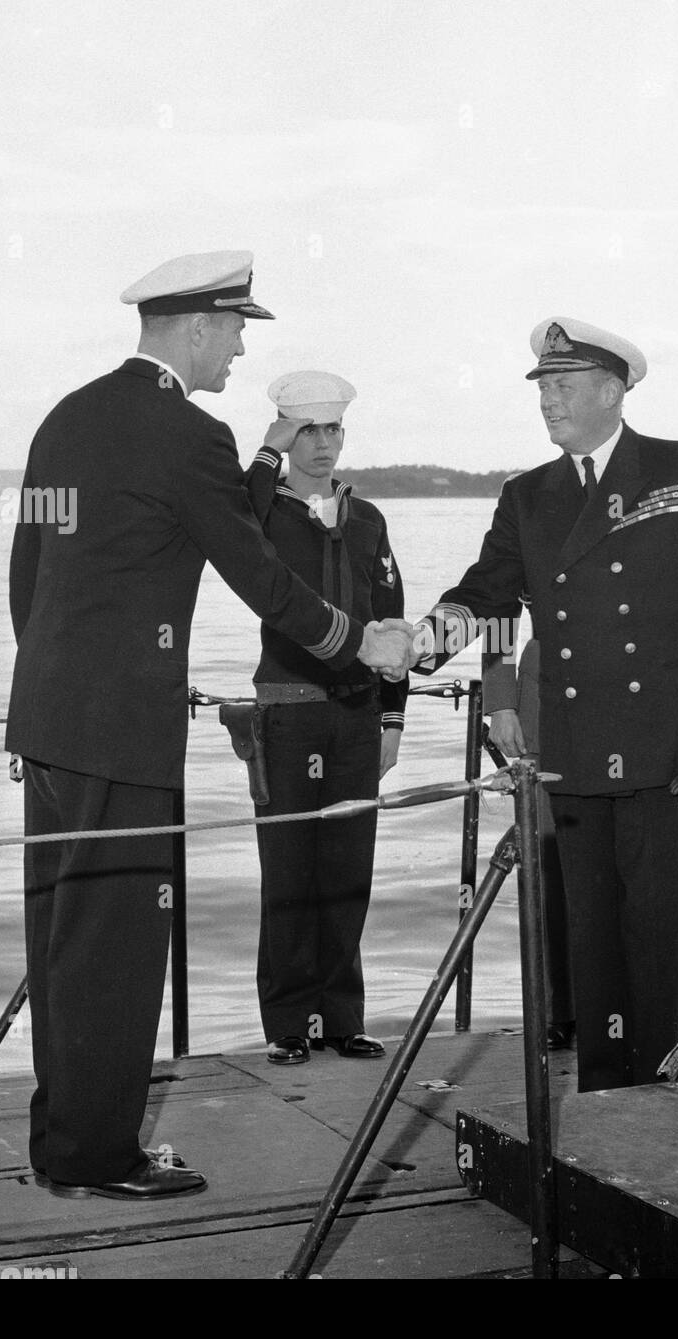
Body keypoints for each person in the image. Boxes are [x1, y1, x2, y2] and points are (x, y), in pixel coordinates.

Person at [6, 253, 413, 1201]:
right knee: (115, 946)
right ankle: (103, 1157)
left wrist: (54, 690)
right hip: (125, 733)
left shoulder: (67, 416)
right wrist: (360, 646)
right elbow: (258, 571)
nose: (238, 347)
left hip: (52, 718)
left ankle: (62, 1141)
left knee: (62, 939)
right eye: (235, 328)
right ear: (193, 327)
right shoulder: (186, 430)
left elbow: (29, 566)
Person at [405, 316, 678, 1091]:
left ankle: (654, 1087)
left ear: (612, 391)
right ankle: (606, 1095)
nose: (548, 401)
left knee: (654, 923)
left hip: (667, 742)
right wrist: (418, 644)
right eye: (543, 387)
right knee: (591, 931)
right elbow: (491, 597)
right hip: (571, 746)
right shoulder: (527, 496)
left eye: (564, 386)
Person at [242, 371, 408, 1065]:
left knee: (347, 871)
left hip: (355, 719)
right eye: (306, 430)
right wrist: (266, 452)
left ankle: (341, 1017)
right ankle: (287, 1026)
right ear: (286, 433)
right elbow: (226, 511)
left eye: (331, 430)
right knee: (288, 874)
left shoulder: (368, 520)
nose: (322, 444)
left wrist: (392, 722)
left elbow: (393, 622)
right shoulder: (263, 516)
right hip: (288, 716)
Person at [481, 637, 576, 1048]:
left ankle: (612, 1011)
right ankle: (558, 1013)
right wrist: (501, 705)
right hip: (544, 702)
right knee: (548, 880)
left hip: (629, 699)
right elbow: (498, 612)